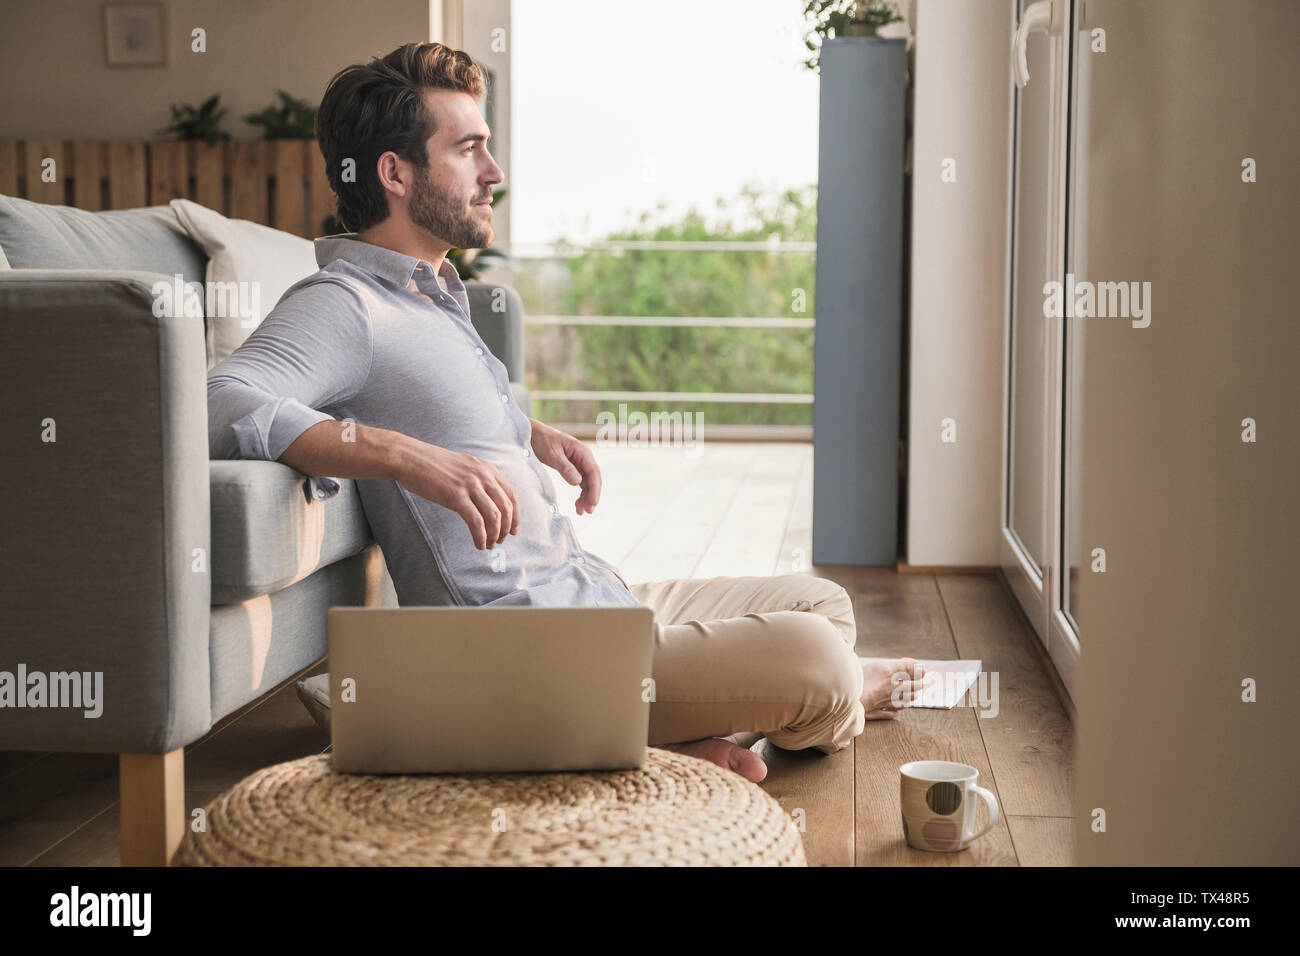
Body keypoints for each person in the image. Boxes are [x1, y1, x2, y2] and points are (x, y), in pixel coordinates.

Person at [206, 42, 924, 784]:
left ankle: (651, 740)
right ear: (395, 173)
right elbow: (223, 402)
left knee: (822, 601)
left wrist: (527, 433)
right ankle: (721, 718)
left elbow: (442, 408)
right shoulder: (346, 304)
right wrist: (403, 456)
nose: (495, 173)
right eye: (470, 149)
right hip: (531, 648)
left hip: (593, 593)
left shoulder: (436, 293)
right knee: (820, 661)